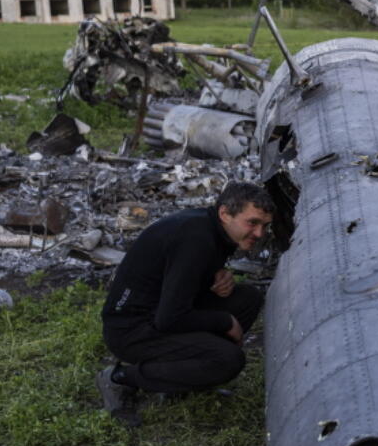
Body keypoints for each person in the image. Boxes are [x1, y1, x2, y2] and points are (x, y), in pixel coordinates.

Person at [96, 182, 275, 426]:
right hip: (130, 329)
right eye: (252, 223)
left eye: (264, 226)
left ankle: (183, 378)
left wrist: (215, 275)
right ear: (225, 213)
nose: (259, 234)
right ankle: (120, 379)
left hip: (159, 311)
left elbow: (177, 276)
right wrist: (225, 321)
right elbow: (170, 317)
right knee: (227, 360)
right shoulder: (196, 238)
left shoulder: (210, 227)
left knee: (247, 298)